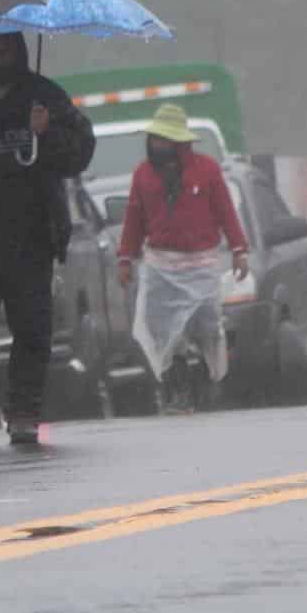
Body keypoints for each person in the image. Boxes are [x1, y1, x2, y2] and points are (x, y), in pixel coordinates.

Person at [0, 32, 94, 446]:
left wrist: (47, 132)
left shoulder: (44, 95)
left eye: (6, 48)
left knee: (32, 325)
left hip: (31, 233)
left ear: (19, 51)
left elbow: (80, 152)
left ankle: (24, 409)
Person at [116, 104, 251, 414]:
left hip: (201, 266)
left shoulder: (207, 170)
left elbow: (225, 212)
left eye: (164, 140)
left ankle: (207, 383)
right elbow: (134, 220)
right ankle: (178, 391)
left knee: (206, 328)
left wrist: (239, 250)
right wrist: (125, 259)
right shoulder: (143, 175)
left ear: (180, 143)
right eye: (154, 139)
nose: (157, 145)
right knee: (163, 331)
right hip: (160, 267)